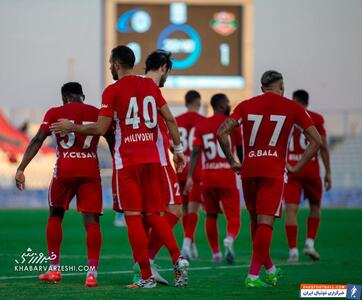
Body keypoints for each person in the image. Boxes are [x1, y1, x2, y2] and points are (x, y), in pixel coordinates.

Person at [50, 46, 189, 289]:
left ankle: (145, 275)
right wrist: (178, 151)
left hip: (129, 162)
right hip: (153, 162)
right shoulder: (149, 86)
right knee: (154, 214)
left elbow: (101, 128)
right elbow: (169, 118)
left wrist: (72, 126)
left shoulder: (112, 90)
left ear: (115, 64)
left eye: (109, 64)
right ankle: (178, 259)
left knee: (133, 218)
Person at [217, 70, 322, 287]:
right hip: (272, 170)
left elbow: (221, 132)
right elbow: (316, 140)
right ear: (281, 86)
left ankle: (270, 269)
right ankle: (253, 276)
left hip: (249, 169)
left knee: (256, 222)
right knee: (266, 223)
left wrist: (232, 161)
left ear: (262, 87)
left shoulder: (246, 105)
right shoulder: (293, 107)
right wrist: (297, 167)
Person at [15, 82, 106, 287]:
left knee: (55, 215)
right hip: (90, 169)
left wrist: (21, 168)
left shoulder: (55, 113)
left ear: (64, 98)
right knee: (92, 220)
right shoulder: (97, 112)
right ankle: (92, 274)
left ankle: (54, 270)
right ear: (82, 96)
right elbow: (110, 137)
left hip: (65, 169)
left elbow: (38, 139)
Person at [131, 50, 185, 286]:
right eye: (168, 72)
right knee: (172, 211)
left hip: (140, 159)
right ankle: (151, 262)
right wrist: (178, 150)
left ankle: (144, 266)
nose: (167, 78)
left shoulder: (135, 88)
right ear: (163, 67)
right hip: (158, 161)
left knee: (146, 215)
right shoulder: (152, 90)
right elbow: (169, 120)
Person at [185, 93, 243, 263]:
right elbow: (240, 149)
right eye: (227, 102)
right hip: (226, 175)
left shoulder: (202, 125)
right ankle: (230, 239)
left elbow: (195, 152)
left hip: (207, 177)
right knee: (233, 216)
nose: (229, 104)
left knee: (210, 216)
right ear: (221, 104)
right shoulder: (232, 124)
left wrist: (190, 176)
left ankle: (216, 253)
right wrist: (242, 166)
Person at [284, 89, 332, 262]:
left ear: (294, 100)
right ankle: (310, 244)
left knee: (291, 210)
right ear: (307, 101)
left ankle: (293, 251)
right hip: (311, 169)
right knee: (315, 207)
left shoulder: (287, 117)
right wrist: (328, 172)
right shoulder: (316, 118)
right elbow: (323, 147)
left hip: (291, 169)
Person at [176, 90, 206, 260]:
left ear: (186, 102)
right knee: (194, 209)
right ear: (199, 103)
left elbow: (171, 143)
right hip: (196, 169)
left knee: (184, 209)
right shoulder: (203, 121)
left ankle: (190, 241)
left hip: (180, 168)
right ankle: (186, 244)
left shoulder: (177, 121)